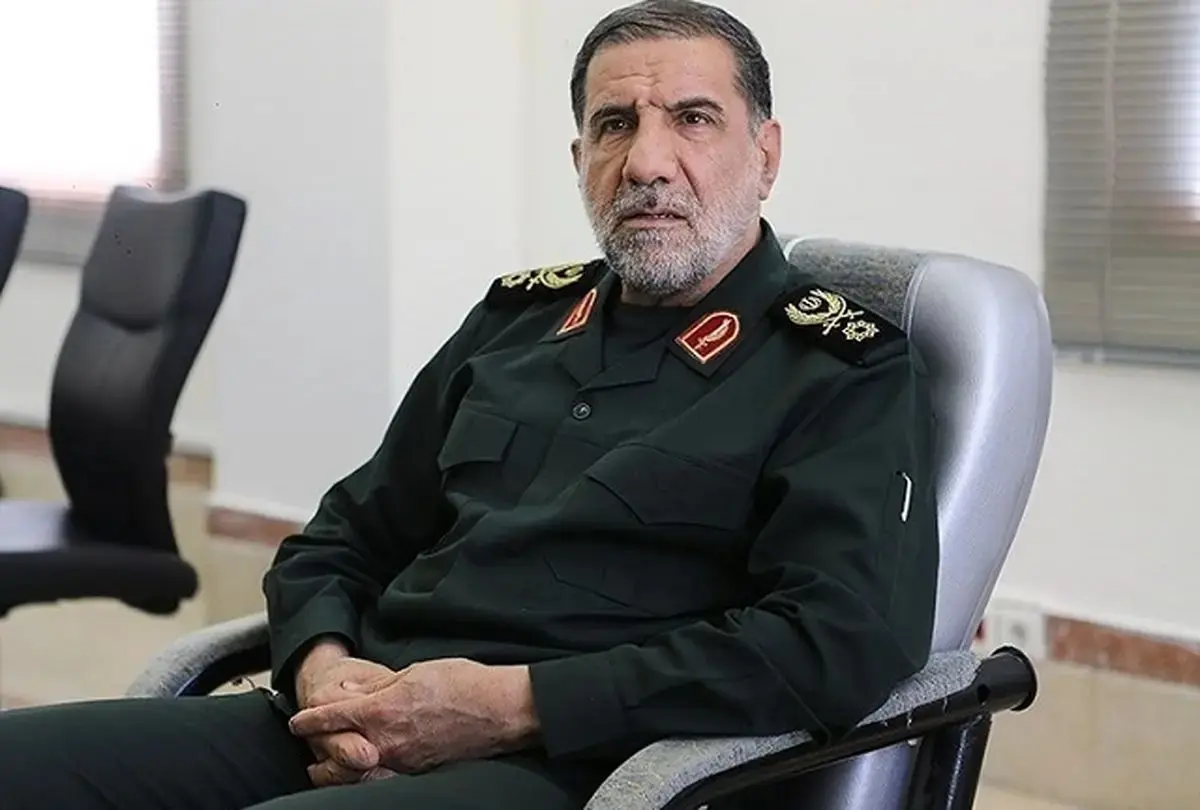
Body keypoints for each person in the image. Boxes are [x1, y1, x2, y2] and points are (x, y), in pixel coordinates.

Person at [0, 1, 939, 808]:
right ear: (580, 158)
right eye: (615, 125)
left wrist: (514, 705)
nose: (647, 161)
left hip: (571, 764)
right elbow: (343, 536)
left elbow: (837, 642)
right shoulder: (516, 325)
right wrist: (324, 668)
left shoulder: (838, 369)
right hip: (347, 714)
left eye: (693, 119)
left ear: (765, 155)